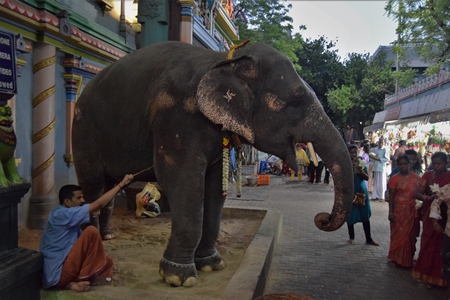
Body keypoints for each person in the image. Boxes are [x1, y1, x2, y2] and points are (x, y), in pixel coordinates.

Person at [40, 174, 134, 292]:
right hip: (57, 274)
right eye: (79, 198)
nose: (83, 200)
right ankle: (84, 277)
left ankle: (71, 284)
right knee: (91, 231)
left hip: (57, 276)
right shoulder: (62, 214)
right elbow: (98, 204)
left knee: (107, 261)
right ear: (67, 201)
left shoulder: (62, 214)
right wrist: (121, 185)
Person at [413, 152, 450, 288]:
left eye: (439, 164)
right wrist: (427, 198)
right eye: (434, 163)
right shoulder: (428, 175)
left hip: (446, 215)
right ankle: (428, 276)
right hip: (430, 213)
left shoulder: (449, 176)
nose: (436, 166)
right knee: (428, 242)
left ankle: (443, 278)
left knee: (443, 245)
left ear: (447, 163)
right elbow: (417, 193)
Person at [387, 155, 422, 268]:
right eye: (400, 164)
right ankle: (396, 258)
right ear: (398, 165)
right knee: (397, 234)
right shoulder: (394, 178)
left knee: (410, 236)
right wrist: (390, 212)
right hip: (398, 211)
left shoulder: (416, 178)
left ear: (409, 164)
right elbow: (391, 197)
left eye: (405, 164)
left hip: (411, 211)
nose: (403, 166)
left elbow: (421, 193)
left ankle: (407, 259)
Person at [346, 145, 379, 246]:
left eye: (354, 152)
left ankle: (368, 238)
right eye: (351, 152)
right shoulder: (346, 164)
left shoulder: (362, 162)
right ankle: (351, 237)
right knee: (350, 214)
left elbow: (366, 178)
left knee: (364, 214)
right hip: (350, 192)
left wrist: (359, 170)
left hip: (361, 191)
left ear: (357, 153)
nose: (353, 154)